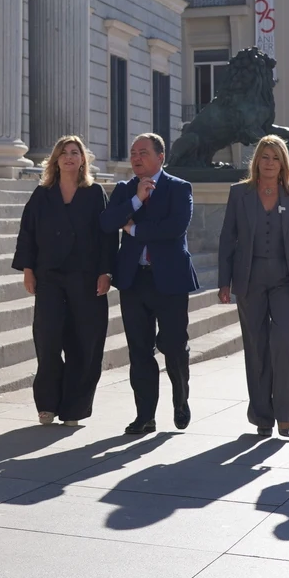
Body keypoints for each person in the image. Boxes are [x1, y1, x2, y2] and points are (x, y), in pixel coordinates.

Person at [12, 136, 116, 427]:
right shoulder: (42, 194)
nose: (69, 157)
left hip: (86, 278)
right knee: (47, 340)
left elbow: (107, 236)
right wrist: (28, 269)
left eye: (75, 152)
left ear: (83, 159)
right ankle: (47, 404)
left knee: (85, 343)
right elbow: (27, 233)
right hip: (49, 278)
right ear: (55, 160)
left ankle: (75, 409)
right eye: (63, 153)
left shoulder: (95, 194)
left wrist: (106, 272)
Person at [216, 135, 289, 438]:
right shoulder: (239, 194)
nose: (269, 162)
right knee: (256, 347)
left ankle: (285, 415)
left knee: (283, 341)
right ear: (256, 161)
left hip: (286, 281)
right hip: (250, 279)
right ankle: (262, 415)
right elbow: (226, 239)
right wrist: (224, 282)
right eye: (264, 157)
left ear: (283, 163)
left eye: (275, 157)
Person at [101, 133, 199, 435]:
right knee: (139, 351)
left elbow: (174, 228)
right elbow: (106, 223)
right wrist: (136, 200)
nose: (135, 157)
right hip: (134, 280)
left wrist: (132, 229)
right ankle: (145, 415)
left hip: (169, 279)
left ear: (160, 157)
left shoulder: (179, 188)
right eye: (132, 152)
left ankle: (180, 398)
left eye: (143, 152)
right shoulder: (124, 190)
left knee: (173, 346)